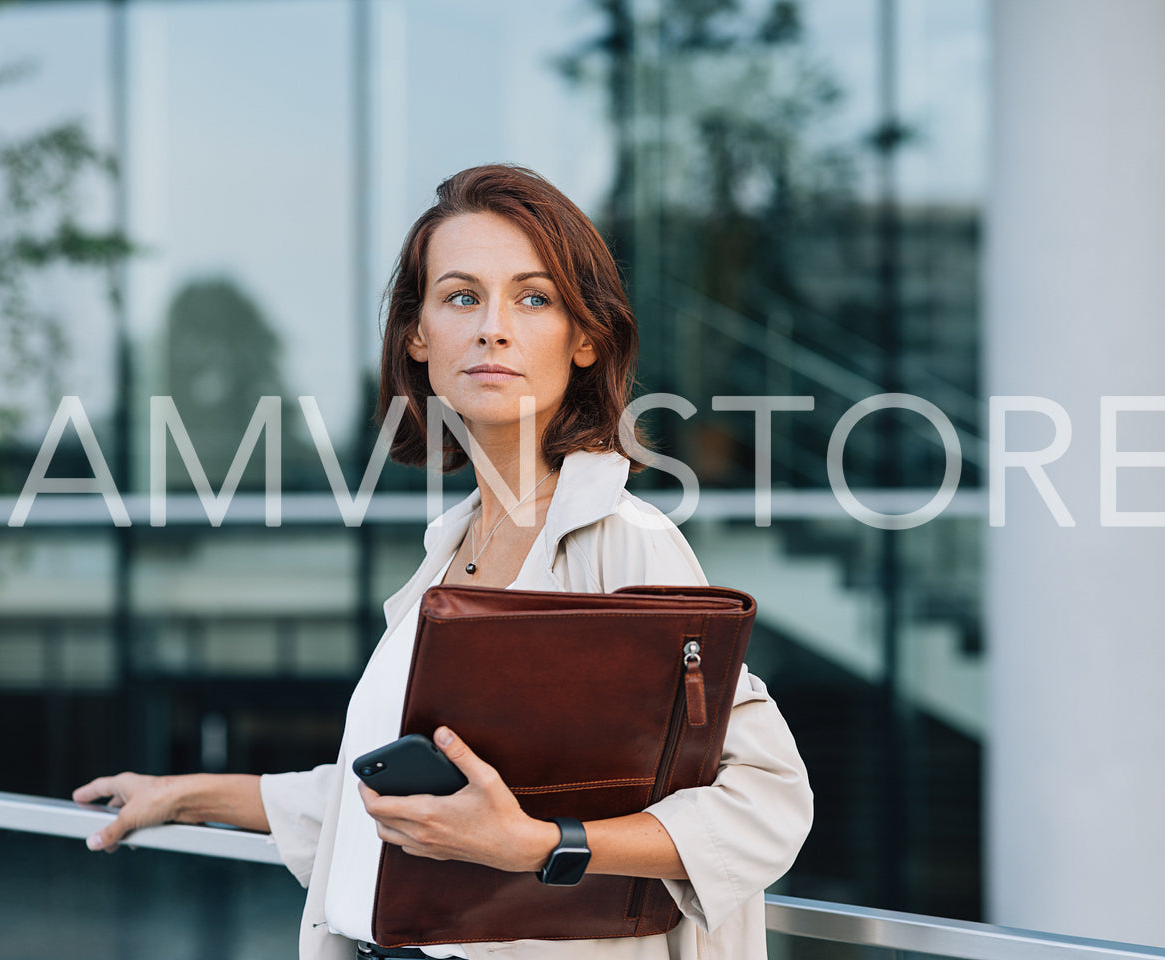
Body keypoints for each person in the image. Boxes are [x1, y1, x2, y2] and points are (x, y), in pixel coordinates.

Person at [73, 164, 812, 960]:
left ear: (586, 339)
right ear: (418, 337)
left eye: (534, 298)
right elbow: (406, 807)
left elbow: (764, 800)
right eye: (462, 296)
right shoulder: (445, 556)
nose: (493, 327)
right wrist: (185, 796)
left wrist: (540, 844)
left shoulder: (621, 540)